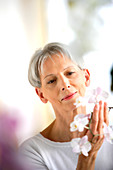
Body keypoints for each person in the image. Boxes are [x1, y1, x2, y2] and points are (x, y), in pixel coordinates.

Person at [20, 42, 109, 170]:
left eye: (70, 73)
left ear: (87, 77)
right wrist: (87, 156)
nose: (64, 84)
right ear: (41, 95)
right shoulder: (32, 152)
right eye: (51, 81)